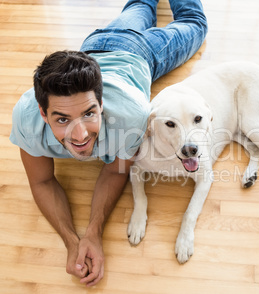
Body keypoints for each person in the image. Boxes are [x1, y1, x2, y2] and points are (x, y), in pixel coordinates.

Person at [9, 0, 207, 287]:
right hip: (93, 45)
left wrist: (94, 231)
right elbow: (41, 182)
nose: (79, 137)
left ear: (100, 104)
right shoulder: (26, 118)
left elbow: (116, 170)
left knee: (195, 23)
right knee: (141, 6)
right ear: (42, 113)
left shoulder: (131, 118)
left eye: (89, 113)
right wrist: (73, 241)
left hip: (140, 53)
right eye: (62, 119)